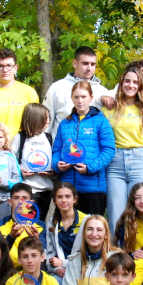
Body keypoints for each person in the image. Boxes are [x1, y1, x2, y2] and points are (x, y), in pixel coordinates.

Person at [103, 67, 143, 231]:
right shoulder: (108, 109)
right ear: (121, 83)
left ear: (140, 86)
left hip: (139, 160)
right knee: (115, 213)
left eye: (135, 82)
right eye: (127, 81)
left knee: (138, 210)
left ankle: (135, 253)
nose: (131, 85)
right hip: (114, 162)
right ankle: (115, 253)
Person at [53, 80, 116, 216]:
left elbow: (109, 150)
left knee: (92, 230)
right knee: (67, 229)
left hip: (93, 187)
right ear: (72, 98)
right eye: (76, 97)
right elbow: (56, 150)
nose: (80, 101)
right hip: (68, 187)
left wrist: (90, 168)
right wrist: (57, 164)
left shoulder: (101, 121)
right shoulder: (64, 124)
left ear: (91, 98)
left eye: (84, 97)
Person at [45, 46, 114, 136]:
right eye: (85, 63)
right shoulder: (57, 88)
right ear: (75, 63)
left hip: (92, 148)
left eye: (93, 64)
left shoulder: (103, 92)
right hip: (62, 146)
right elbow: (46, 122)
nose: (89, 68)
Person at [0, 48, 40, 141]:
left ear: (16, 68)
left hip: (23, 148)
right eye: (0, 66)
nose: (5, 70)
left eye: (9, 65)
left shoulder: (29, 93)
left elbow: (37, 124)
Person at [10, 103, 56, 211]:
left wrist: (53, 172)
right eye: (45, 119)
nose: (48, 121)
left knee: (40, 223)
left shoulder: (49, 138)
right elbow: (10, 161)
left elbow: (55, 158)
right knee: (27, 220)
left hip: (46, 189)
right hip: (26, 189)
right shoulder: (19, 138)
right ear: (36, 119)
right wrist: (20, 170)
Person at [61, 214, 117, 285]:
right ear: (84, 234)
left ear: (106, 235)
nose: (94, 234)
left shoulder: (116, 258)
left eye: (99, 230)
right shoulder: (74, 261)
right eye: (90, 229)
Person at [44, 182, 86, 277]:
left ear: (74, 199)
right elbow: (50, 254)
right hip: (61, 273)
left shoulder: (86, 220)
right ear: (54, 200)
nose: (63, 200)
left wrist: (63, 263)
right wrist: (56, 269)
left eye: (67, 197)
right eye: (59, 197)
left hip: (83, 272)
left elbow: (89, 256)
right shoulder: (51, 223)